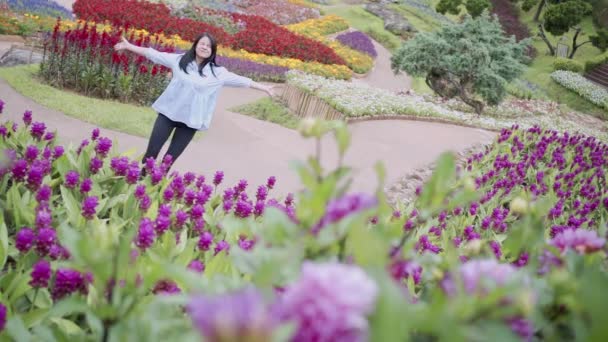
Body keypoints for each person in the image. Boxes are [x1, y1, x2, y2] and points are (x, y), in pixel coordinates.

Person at [113, 33, 276, 171]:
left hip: (190, 122)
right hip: (168, 114)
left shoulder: (218, 73)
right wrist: (129, 46)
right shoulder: (179, 61)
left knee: (168, 162)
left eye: (208, 46)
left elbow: (243, 81)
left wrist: (264, 88)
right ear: (196, 45)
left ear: (212, 51)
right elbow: (153, 54)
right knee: (151, 154)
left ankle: (153, 190)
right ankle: (139, 185)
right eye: (202, 44)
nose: (204, 47)